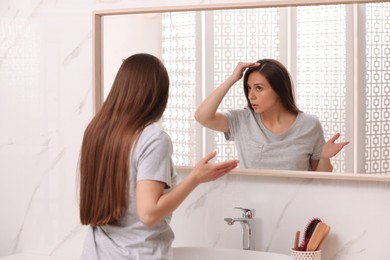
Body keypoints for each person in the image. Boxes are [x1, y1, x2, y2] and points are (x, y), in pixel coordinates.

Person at [78, 53, 239, 260]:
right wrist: (195, 178)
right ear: (158, 95)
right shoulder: (153, 139)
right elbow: (149, 214)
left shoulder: (96, 132)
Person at [195, 59, 349, 171]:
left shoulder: (309, 125)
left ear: (279, 90)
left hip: (298, 207)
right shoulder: (242, 120)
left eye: (259, 88)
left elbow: (319, 177)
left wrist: (324, 157)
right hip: (254, 207)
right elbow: (202, 116)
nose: (251, 95)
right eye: (249, 88)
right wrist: (232, 78)